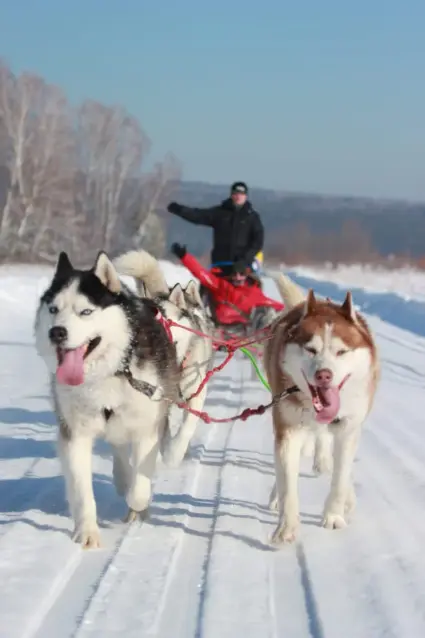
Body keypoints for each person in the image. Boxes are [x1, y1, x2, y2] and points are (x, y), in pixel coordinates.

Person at [170, 243, 283, 326]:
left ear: (247, 274)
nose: (238, 277)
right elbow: (201, 273)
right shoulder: (221, 285)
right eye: (235, 274)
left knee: (268, 314)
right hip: (225, 325)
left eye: (241, 274)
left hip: (248, 328)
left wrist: (292, 309)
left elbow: (272, 304)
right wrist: (184, 257)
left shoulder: (253, 290)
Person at [167, 181, 264, 277]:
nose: (239, 196)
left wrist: (245, 259)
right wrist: (178, 209)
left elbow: (258, 241)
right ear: (231, 195)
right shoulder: (220, 213)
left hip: (242, 268)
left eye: (242, 194)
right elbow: (198, 215)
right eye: (236, 194)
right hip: (221, 265)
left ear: (246, 196)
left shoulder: (252, 217)